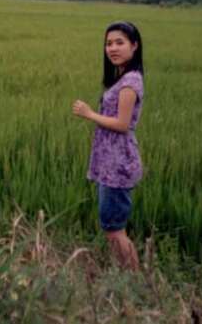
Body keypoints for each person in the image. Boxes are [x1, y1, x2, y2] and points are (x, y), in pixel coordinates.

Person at [72, 20, 144, 271]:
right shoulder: (124, 78)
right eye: (108, 43)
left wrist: (89, 114)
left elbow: (122, 124)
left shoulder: (130, 82)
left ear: (134, 46)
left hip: (118, 164)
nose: (112, 48)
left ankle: (134, 281)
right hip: (111, 162)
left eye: (119, 43)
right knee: (112, 228)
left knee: (114, 230)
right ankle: (128, 277)